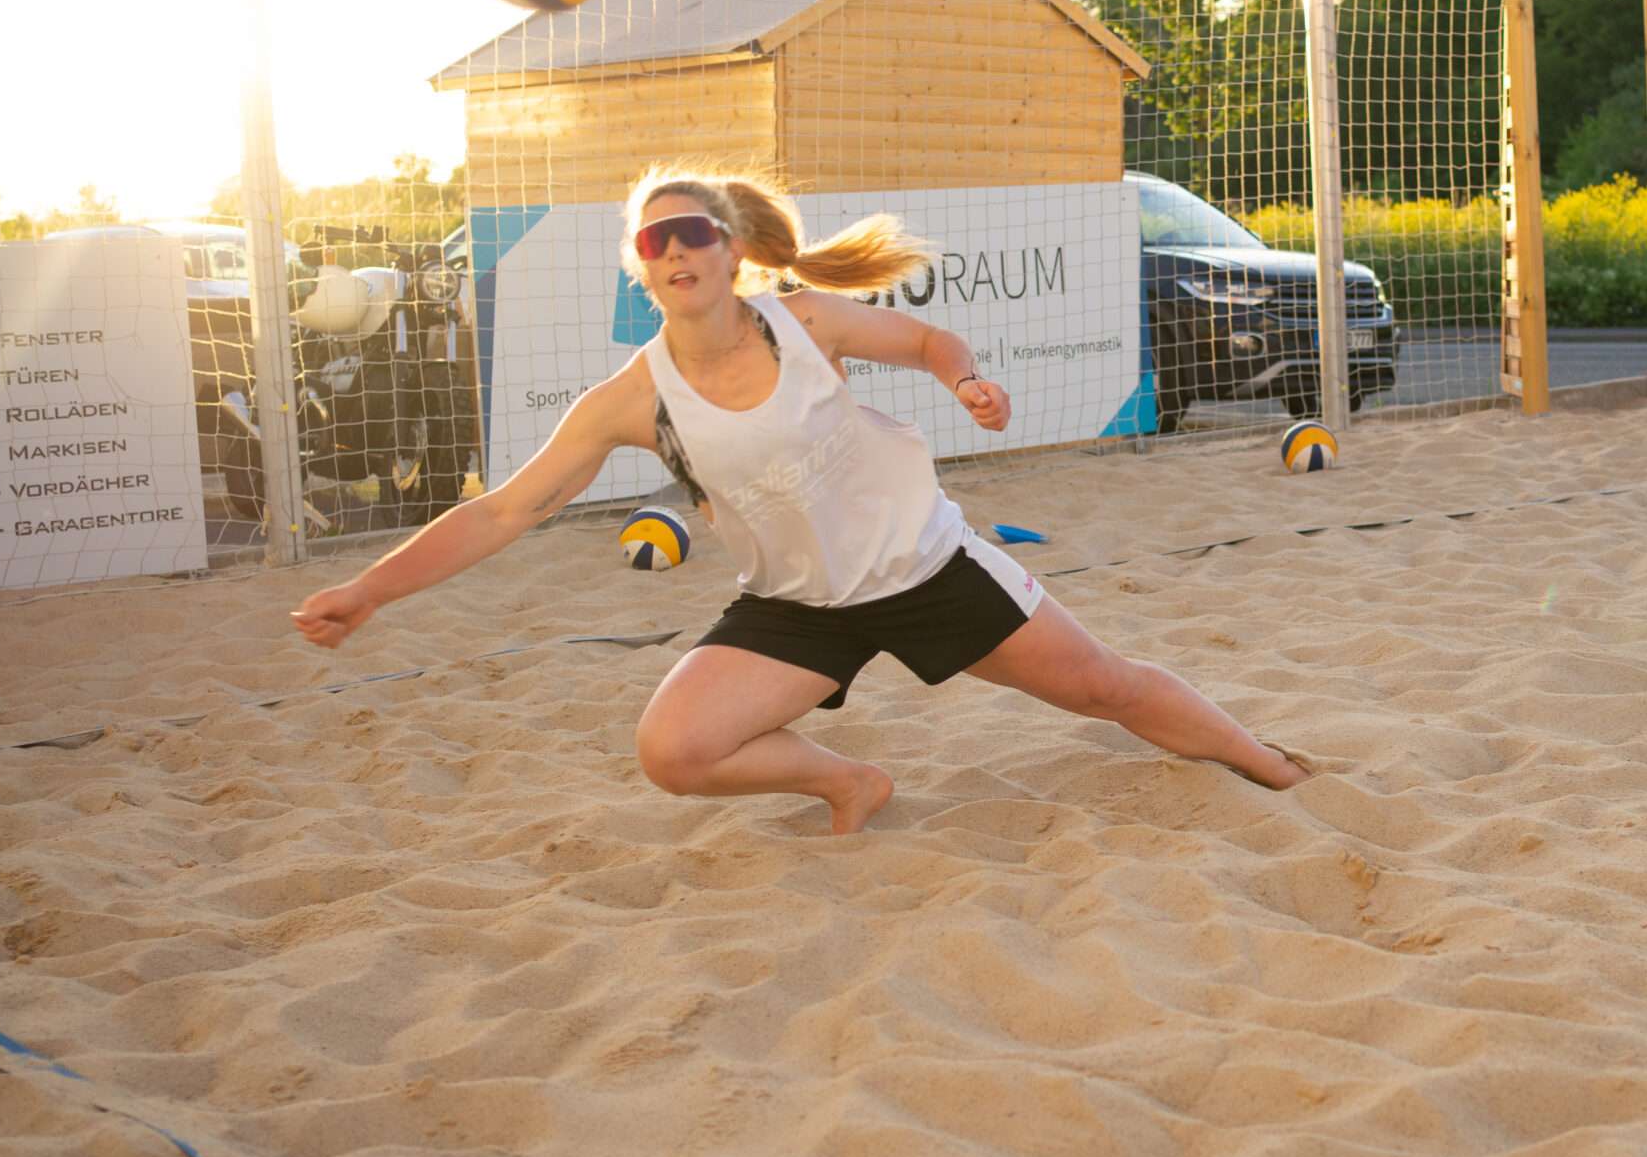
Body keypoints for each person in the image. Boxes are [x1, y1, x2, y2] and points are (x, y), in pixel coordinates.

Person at [291, 168, 1311, 832]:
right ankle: (846, 780)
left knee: (1108, 687)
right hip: (797, 605)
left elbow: (924, 342)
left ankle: (1275, 766)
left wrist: (966, 382)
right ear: (640, 270)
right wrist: (371, 591)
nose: (678, 251)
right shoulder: (632, 397)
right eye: (655, 242)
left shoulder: (803, 323)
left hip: (927, 567)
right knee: (673, 751)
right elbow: (502, 511)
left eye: (693, 232)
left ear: (731, 249)